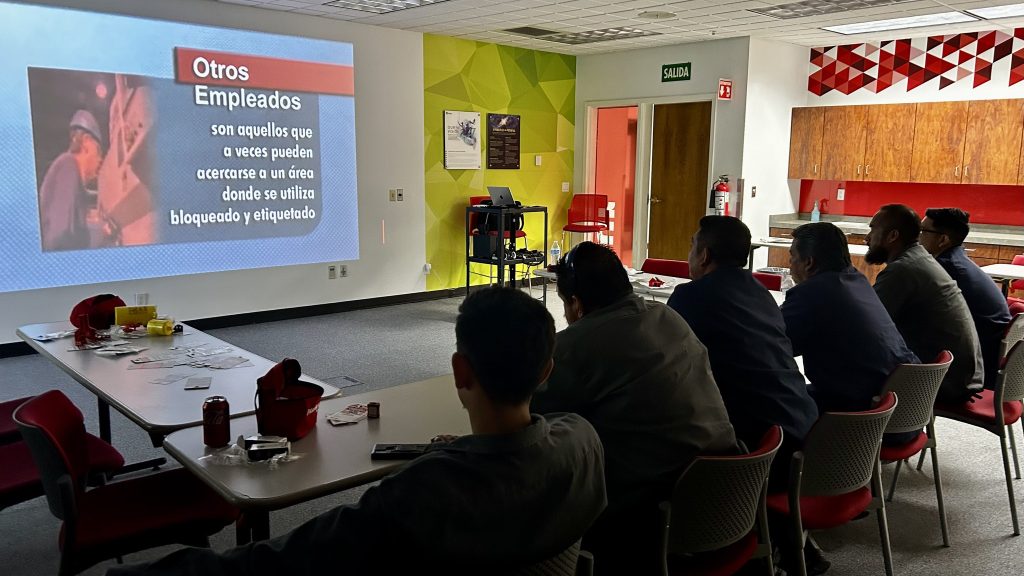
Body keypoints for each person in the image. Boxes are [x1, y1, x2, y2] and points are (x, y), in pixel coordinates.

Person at [110, 287, 607, 575]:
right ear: (546, 372)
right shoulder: (583, 445)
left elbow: (284, 561)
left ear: (459, 371)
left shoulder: (422, 494)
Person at [531, 241, 736, 575]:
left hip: (651, 516)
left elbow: (531, 423)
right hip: (727, 498)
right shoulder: (670, 317)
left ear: (576, 305)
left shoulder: (576, 343)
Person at [667, 217, 823, 574]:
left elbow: (663, 361)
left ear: (704, 255)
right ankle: (787, 541)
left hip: (760, 449)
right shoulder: (759, 291)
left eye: (692, 246)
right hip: (805, 428)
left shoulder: (692, 296)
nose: (690, 254)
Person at [782, 222, 919, 414]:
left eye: (792, 257)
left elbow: (774, 344)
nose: (790, 264)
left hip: (861, 417)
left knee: (766, 400)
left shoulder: (813, 293)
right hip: (904, 406)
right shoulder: (856, 279)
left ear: (809, 262)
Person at [865, 204, 984, 403]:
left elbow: (866, 324)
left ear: (893, 236)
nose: (867, 238)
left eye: (872, 229)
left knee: (843, 375)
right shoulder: (919, 258)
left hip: (944, 382)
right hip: (961, 374)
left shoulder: (903, 270)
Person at [920, 207, 1011, 389]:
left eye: (923, 231)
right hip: (994, 355)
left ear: (943, 239)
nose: (917, 237)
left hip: (978, 365)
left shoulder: (944, 269)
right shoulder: (957, 259)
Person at [39, 109, 104, 251]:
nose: (100, 159)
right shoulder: (68, 165)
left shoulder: (71, 174)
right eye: (98, 150)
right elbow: (59, 237)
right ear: (86, 142)